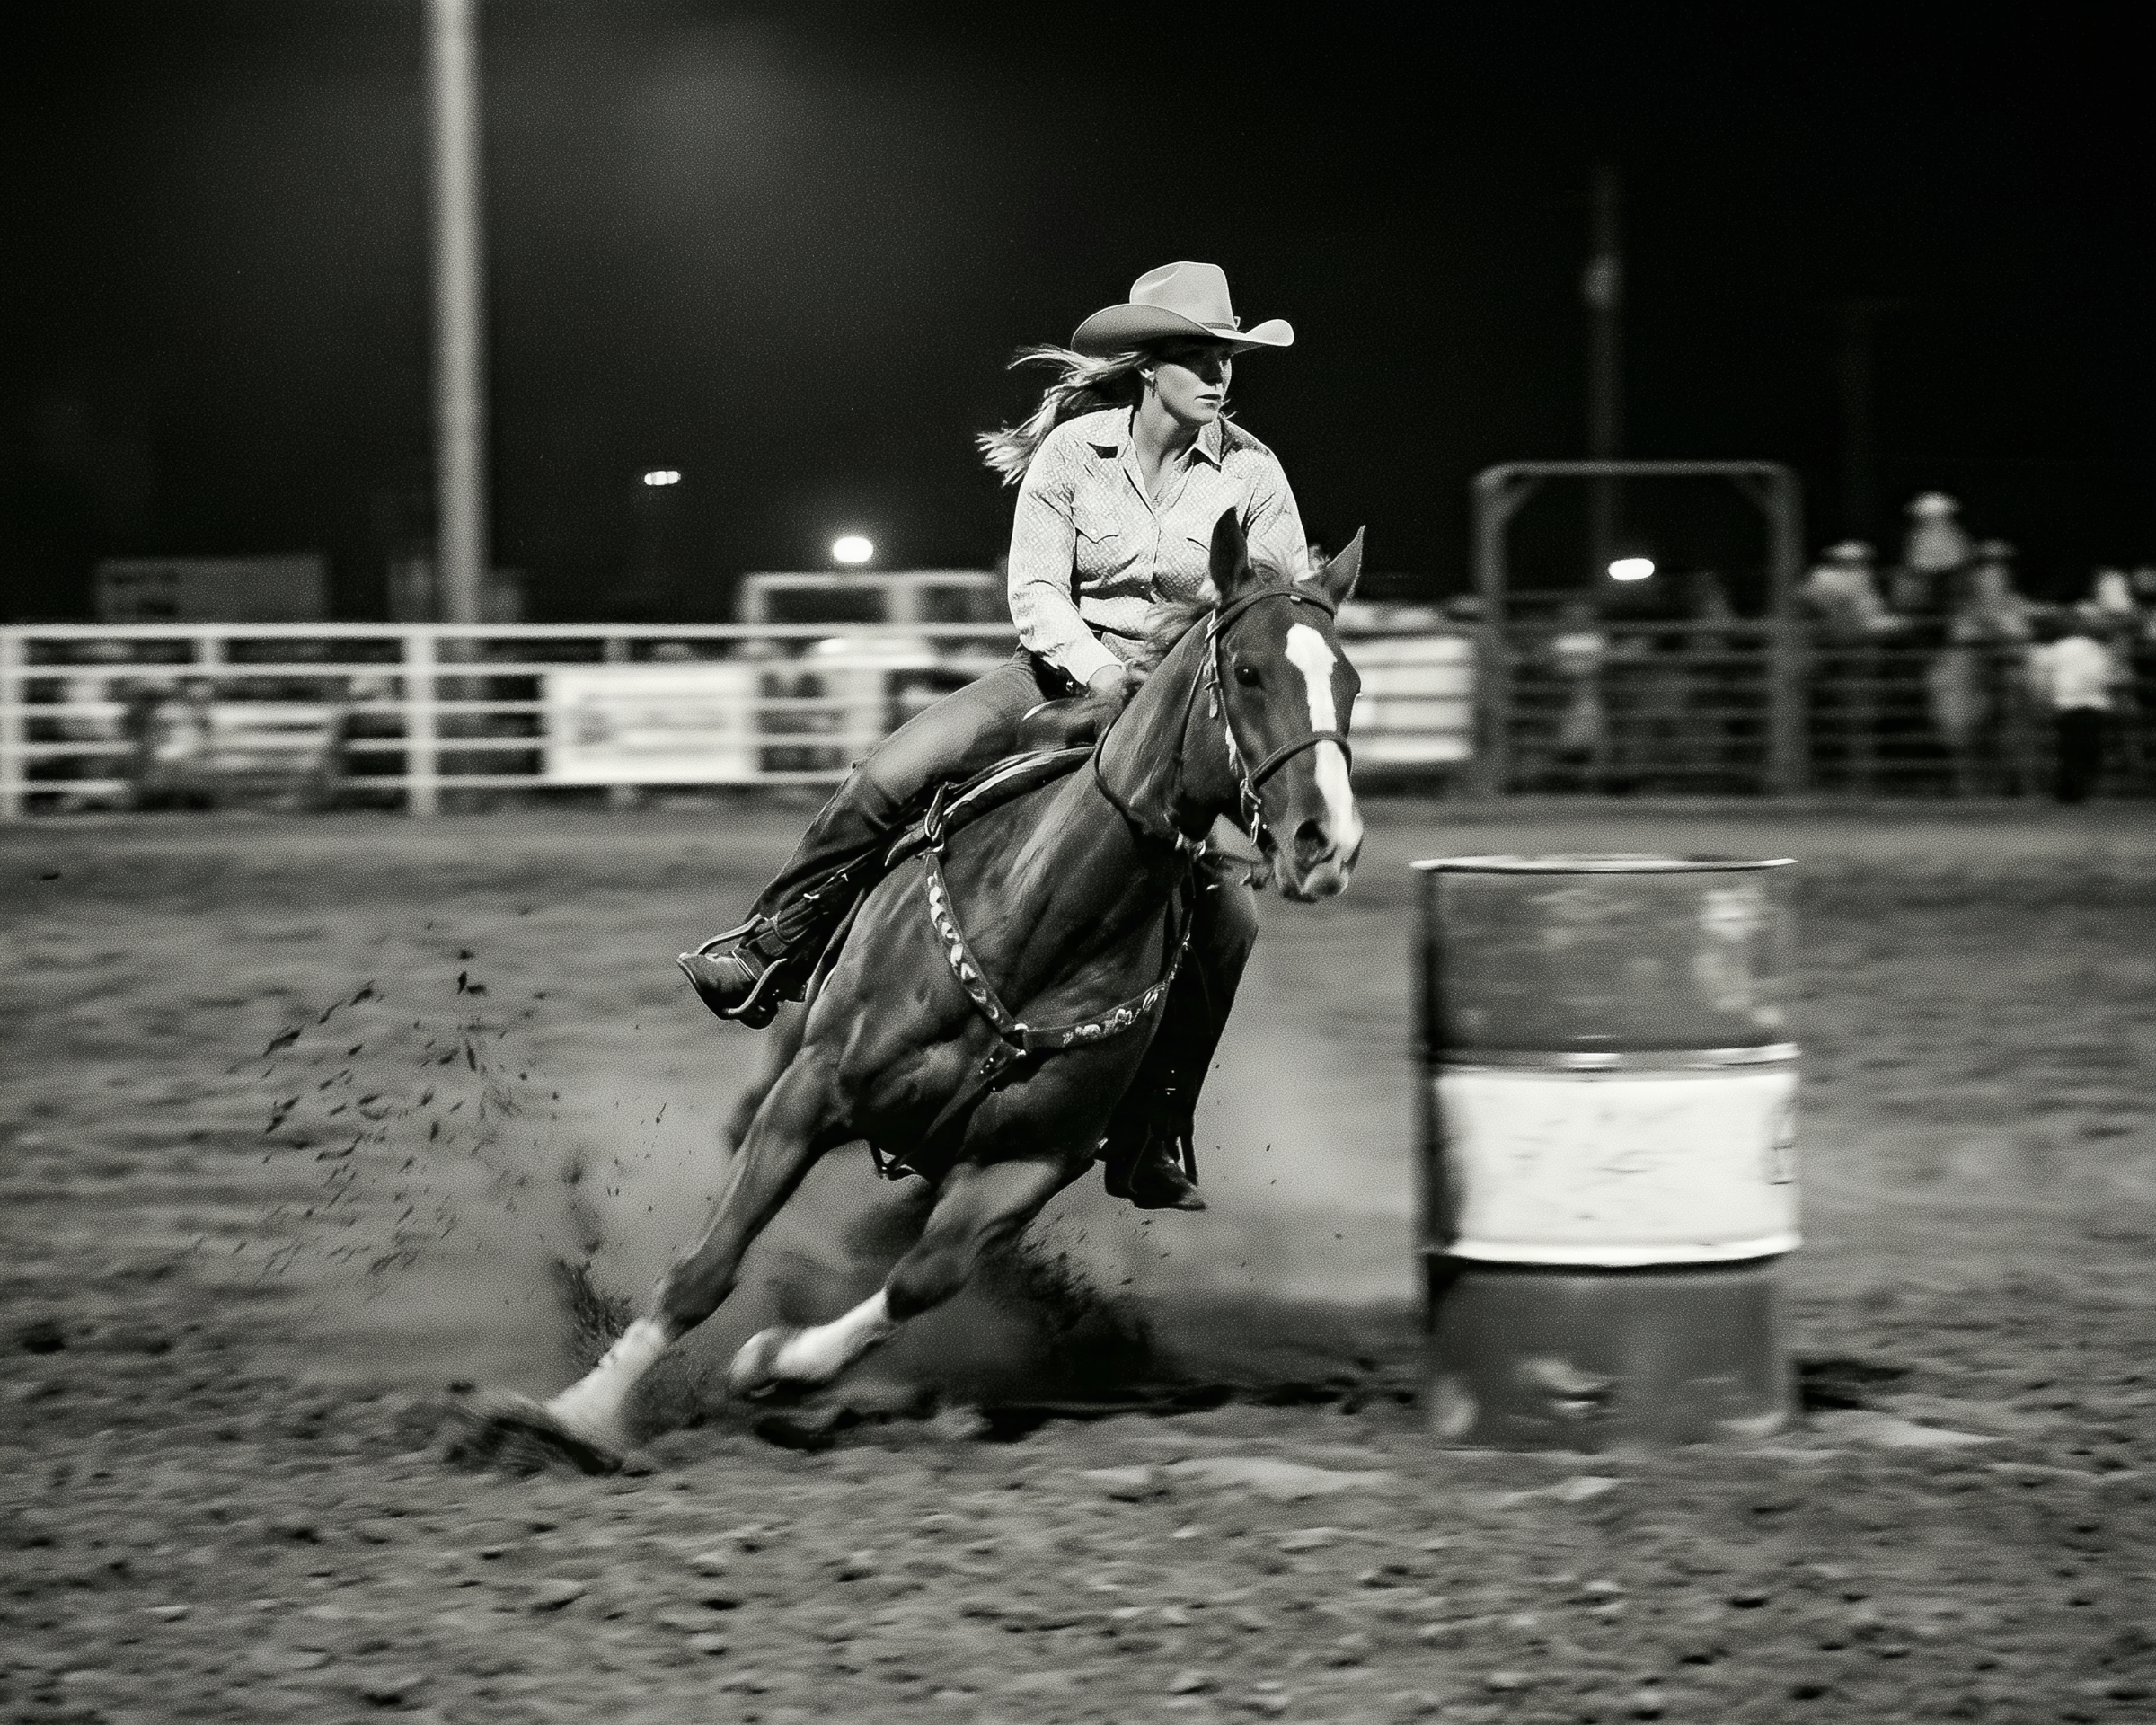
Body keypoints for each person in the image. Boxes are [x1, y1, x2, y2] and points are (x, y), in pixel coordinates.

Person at [677, 261, 1305, 1209]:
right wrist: (1103, 672)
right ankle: (777, 945)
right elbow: (1038, 593)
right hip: (1053, 678)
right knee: (893, 772)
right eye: (1197, 354)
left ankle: (1154, 1126)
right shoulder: (1071, 457)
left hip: (1176, 717)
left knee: (1231, 918)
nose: (1220, 374)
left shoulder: (1255, 472)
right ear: (1147, 366)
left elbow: (1279, 599)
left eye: (1228, 357)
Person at [2031, 611, 2118, 803]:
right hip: (2092, 705)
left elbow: (2043, 673)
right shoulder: (2096, 648)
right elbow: (2106, 676)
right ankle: (2076, 790)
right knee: (2087, 749)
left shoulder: (2058, 648)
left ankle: (2069, 791)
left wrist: (2044, 698)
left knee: (2070, 749)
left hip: (2069, 705)